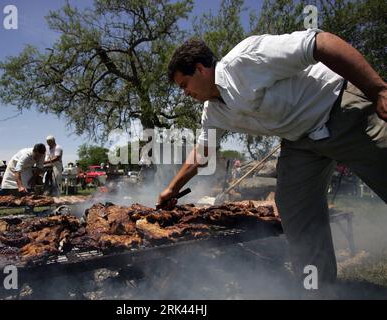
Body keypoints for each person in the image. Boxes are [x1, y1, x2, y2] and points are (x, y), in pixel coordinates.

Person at [157, 29, 387, 295]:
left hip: (340, 109)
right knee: (295, 209)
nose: (184, 93)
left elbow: (319, 43)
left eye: (184, 85)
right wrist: (172, 188)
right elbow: (202, 152)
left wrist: (379, 89)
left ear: (200, 69)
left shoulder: (245, 60)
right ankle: (318, 289)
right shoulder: (213, 112)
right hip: (300, 141)